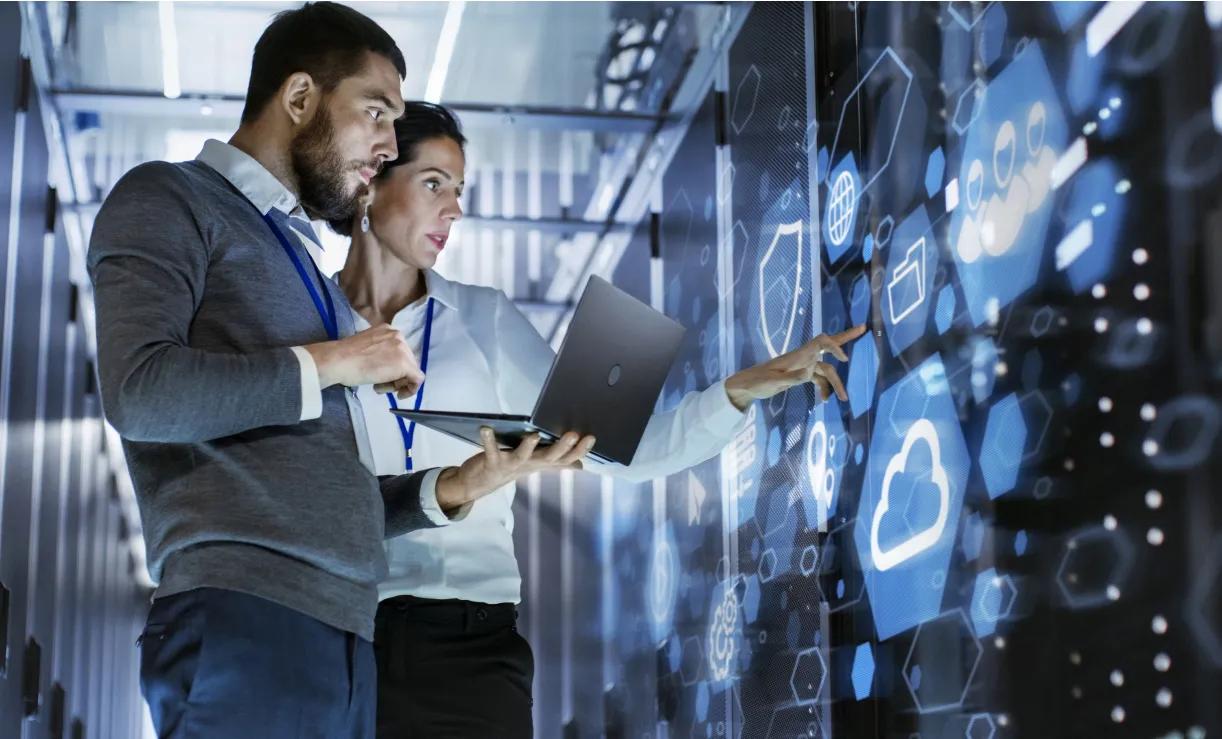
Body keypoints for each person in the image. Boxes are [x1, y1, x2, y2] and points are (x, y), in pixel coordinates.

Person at [87, 6, 591, 737]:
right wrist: (339, 359)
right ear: (299, 99)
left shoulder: (304, 269)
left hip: (345, 639)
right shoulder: (169, 198)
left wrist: (458, 487)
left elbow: (330, 490)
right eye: (376, 113)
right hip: (246, 616)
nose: (387, 145)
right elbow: (140, 391)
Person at [328, 102, 867, 738]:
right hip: (342, 636)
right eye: (434, 184)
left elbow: (626, 451)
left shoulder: (485, 320)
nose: (454, 210)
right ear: (372, 181)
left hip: (470, 644)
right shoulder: (311, 327)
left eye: (460, 191)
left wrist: (742, 389)